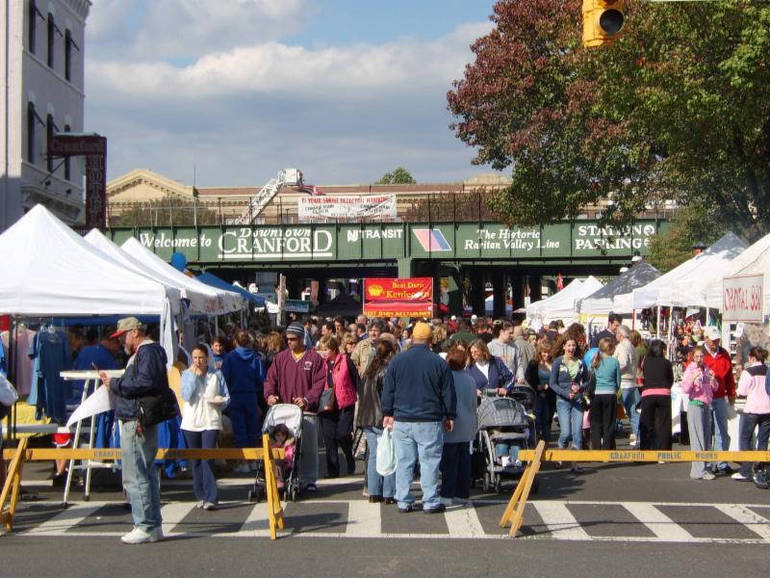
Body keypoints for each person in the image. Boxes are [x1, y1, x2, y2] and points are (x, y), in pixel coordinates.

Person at [99, 317, 169, 544]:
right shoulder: (150, 352)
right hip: (142, 418)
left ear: (135, 333)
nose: (122, 341)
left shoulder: (146, 352)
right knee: (145, 473)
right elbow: (146, 381)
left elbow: (144, 383)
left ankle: (145, 525)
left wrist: (115, 384)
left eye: (123, 336)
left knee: (136, 474)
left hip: (136, 418)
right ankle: (152, 525)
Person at [381, 322, 456, 514]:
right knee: (429, 462)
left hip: (402, 418)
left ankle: (403, 500)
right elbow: (448, 393)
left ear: (412, 338)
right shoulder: (439, 363)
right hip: (429, 419)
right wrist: (450, 415)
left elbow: (388, 390)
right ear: (431, 340)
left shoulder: (397, 361)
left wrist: (387, 412)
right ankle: (430, 501)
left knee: (404, 461)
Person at [264, 322, 326, 492]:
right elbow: (270, 379)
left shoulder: (314, 358)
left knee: (308, 447)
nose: (289, 342)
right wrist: (270, 395)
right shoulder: (281, 358)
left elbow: (319, 383)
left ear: (301, 338)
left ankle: (309, 479)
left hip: (306, 411)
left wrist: (307, 399)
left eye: (293, 339)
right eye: (288, 339)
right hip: (284, 410)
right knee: (282, 445)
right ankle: (281, 476)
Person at [180, 345, 229, 510]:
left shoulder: (216, 374)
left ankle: (211, 497)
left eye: (201, 357)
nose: (198, 361)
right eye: (195, 358)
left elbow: (226, 397)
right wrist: (194, 377)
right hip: (191, 421)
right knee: (196, 460)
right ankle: (200, 494)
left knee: (208, 458)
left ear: (207, 358)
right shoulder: (186, 374)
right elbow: (186, 395)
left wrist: (221, 402)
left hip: (210, 420)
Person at [356, 338, 397, 503]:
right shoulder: (386, 371)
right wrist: (390, 414)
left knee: (374, 454)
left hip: (367, 417)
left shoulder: (369, 371)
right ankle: (389, 492)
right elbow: (387, 396)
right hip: (381, 417)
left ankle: (374, 491)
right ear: (389, 354)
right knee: (389, 453)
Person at [221, 330, 264, 474]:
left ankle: (243, 461)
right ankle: (253, 460)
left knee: (239, 429)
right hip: (251, 395)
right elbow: (261, 378)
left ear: (235, 341)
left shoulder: (230, 357)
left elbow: (224, 378)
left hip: (235, 396)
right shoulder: (255, 357)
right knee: (253, 428)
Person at [440, 345, 477, 504]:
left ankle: (447, 494)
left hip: (451, 423)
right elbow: (474, 403)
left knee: (449, 461)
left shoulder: (446, 378)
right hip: (468, 422)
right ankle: (462, 493)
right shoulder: (470, 379)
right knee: (464, 460)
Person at [316, 335, 358, 478]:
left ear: (333, 349)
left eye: (326, 349)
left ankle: (349, 456)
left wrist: (358, 395)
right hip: (326, 403)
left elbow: (355, 379)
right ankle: (333, 470)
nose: (323, 352)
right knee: (329, 437)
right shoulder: (320, 363)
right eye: (322, 349)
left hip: (344, 402)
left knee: (342, 434)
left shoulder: (345, 360)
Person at [549, 336, 589, 472]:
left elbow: (587, 382)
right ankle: (560, 456)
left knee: (577, 433)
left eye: (573, 345)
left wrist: (580, 388)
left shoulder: (581, 363)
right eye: (569, 345)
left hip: (577, 401)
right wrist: (565, 393)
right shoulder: (558, 362)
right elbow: (552, 383)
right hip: (563, 401)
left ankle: (574, 462)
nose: (571, 348)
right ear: (564, 346)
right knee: (566, 433)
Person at [701, 326, 736, 474]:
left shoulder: (724, 354)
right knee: (706, 431)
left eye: (717, 340)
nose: (715, 342)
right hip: (705, 398)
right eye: (713, 340)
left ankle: (721, 462)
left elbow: (729, 377)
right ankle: (707, 462)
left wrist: (732, 394)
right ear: (706, 338)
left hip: (720, 396)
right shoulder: (699, 353)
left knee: (722, 430)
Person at [681, 346, 719, 480]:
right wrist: (693, 378)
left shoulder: (707, 369)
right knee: (697, 439)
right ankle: (698, 471)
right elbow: (685, 389)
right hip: (695, 405)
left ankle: (706, 467)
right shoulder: (690, 369)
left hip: (706, 405)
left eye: (701, 356)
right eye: (696, 356)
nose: (699, 359)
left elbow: (714, 388)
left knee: (706, 438)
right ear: (693, 357)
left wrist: (713, 379)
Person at [734, 347, 770, 481]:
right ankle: (761, 469)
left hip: (752, 409)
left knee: (746, 439)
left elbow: (742, 391)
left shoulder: (748, 372)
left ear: (752, 358)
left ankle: (746, 471)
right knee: (763, 441)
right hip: (767, 409)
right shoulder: (768, 370)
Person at [638, 339, 674, 451]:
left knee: (647, 423)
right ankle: (664, 451)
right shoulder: (666, 363)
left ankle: (646, 450)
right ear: (662, 350)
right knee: (664, 424)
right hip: (663, 393)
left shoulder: (646, 361)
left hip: (648, 393)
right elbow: (671, 379)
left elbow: (642, 376)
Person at [589, 338, 621, 450]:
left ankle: (596, 449)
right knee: (609, 424)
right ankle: (607, 449)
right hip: (610, 394)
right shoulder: (614, 362)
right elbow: (618, 382)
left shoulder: (595, 361)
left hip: (596, 395)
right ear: (611, 348)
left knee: (596, 423)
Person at [614, 325, 639, 447]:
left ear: (620, 335)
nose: (615, 336)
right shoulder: (632, 346)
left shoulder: (622, 346)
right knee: (633, 412)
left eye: (616, 333)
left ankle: (607, 438)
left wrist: (613, 370)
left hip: (623, 382)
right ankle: (639, 437)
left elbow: (623, 363)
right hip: (632, 381)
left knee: (614, 411)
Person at [526, 339, 555, 444]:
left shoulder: (554, 363)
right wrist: (537, 386)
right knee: (537, 420)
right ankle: (537, 441)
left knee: (547, 420)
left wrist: (550, 385)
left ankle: (546, 442)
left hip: (551, 395)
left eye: (548, 352)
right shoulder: (534, 363)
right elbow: (528, 377)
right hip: (537, 395)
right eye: (544, 352)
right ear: (540, 351)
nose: (546, 355)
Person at [269, 424, 296, 489]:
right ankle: (273, 480)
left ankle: (279, 480)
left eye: (282, 436)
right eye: (278, 435)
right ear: (274, 435)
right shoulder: (272, 444)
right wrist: (276, 445)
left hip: (285, 464)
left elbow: (289, 455)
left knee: (277, 461)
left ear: (286, 436)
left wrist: (283, 447)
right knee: (273, 460)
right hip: (270, 464)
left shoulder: (288, 445)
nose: (280, 438)